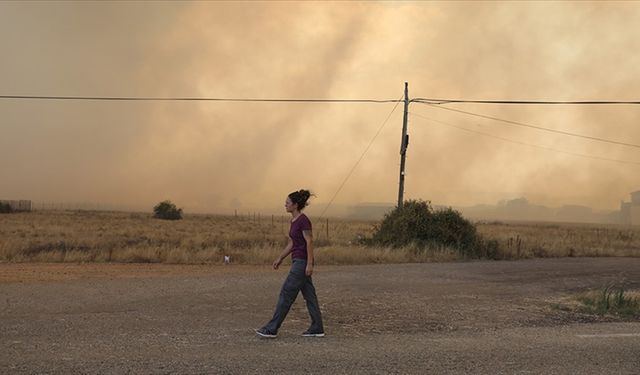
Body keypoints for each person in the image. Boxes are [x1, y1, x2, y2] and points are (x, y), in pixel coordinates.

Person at [256, 189, 325, 338]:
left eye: (287, 202)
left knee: (286, 294)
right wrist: (280, 258)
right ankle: (317, 328)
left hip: (301, 263)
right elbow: (292, 242)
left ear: (295, 205)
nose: (285, 204)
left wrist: (310, 263)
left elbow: (309, 241)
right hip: (298, 260)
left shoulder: (303, 220)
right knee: (310, 296)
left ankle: (272, 328)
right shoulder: (293, 221)